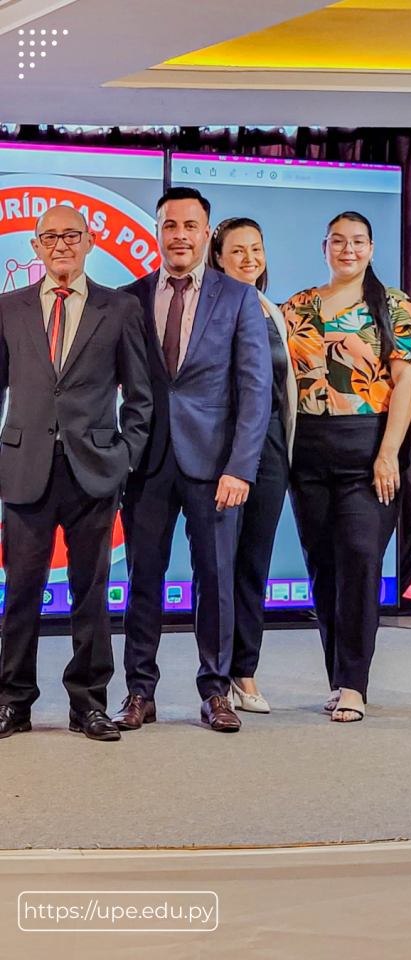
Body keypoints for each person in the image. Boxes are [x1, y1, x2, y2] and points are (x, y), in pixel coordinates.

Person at [112, 188, 272, 734]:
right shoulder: (128, 298)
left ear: (207, 233)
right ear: (159, 231)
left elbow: (255, 390)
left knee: (217, 581)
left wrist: (241, 467)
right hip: (146, 463)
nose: (179, 234)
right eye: (169, 224)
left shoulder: (238, 297)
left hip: (216, 467)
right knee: (142, 583)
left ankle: (215, 691)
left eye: (190, 225)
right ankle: (139, 693)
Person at [0, 205, 152, 741]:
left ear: (89, 243)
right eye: (49, 236)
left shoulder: (121, 309)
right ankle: (13, 702)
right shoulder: (8, 308)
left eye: (71, 235)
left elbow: (140, 395)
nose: (60, 244)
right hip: (24, 469)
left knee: (92, 592)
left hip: (94, 470)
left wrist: (125, 454)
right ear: (35, 247)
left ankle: (88, 704)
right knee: (20, 592)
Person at [282, 211, 411, 722]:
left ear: (370, 246)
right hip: (308, 450)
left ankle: (356, 684)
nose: (348, 250)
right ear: (324, 247)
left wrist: (389, 452)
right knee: (323, 568)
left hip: (369, 448)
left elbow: (405, 384)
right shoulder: (296, 307)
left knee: (361, 560)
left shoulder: (397, 307)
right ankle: (337, 678)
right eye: (338, 241)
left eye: (357, 241)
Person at [208, 217, 297, 714]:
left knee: (253, 566)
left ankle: (244, 672)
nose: (248, 258)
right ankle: (215, 680)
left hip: (270, 453)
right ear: (216, 256)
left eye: (256, 249)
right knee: (218, 567)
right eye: (237, 250)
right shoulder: (209, 307)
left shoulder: (269, 308)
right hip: (223, 453)